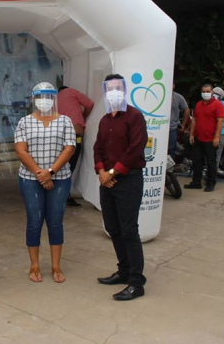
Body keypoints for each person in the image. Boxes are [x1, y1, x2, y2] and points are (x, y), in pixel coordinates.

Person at [94, 74, 148, 301]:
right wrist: (101, 172)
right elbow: (97, 148)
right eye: (110, 88)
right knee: (113, 229)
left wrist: (112, 173)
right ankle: (124, 271)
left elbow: (135, 149)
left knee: (129, 231)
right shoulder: (105, 119)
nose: (114, 91)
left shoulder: (135, 117)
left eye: (118, 87)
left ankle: (137, 282)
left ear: (125, 90)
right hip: (107, 181)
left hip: (128, 180)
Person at [15, 82, 76, 283]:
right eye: (41, 96)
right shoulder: (24, 122)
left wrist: (50, 172)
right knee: (34, 221)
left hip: (59, 178)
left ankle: (56, 266)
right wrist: (40, 174)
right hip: (30, 179)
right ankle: (34, 266)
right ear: (34, 99)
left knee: (55, 221)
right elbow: (21, 150)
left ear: (54, 99)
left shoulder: (65, 121)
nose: (45, 100)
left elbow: (69, 148)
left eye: (49, 96)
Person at [57, 85, 94, 207]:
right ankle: (65, 196)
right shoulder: (71, 91)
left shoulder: (55, 99)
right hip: (75, 135)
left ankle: (58, 194)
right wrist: (83, 117)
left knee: (62, 165)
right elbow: (89, 104)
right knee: (70, 167)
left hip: (60, 138)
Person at [185, 84, 224, 192]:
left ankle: (210, 183)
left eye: (208, 91)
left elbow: (220, 121)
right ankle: (196, 182)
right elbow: (194, 120)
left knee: (211, 162)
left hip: (211, 139)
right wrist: (192, 134)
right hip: (198, 138)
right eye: (203, 91)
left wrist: (216, 137)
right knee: (196, 161)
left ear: (212, 92)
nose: (205, 93)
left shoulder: (218, 105)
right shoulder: (198, 104)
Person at [169, 83, 190, 157]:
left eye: (171, 84)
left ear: (174, 86)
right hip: (158, 127)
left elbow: (186, 109)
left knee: (171, 149)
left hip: (172, 128)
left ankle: (170, 168)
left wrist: (183, 125)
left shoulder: (178, 97)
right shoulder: (158, 94)